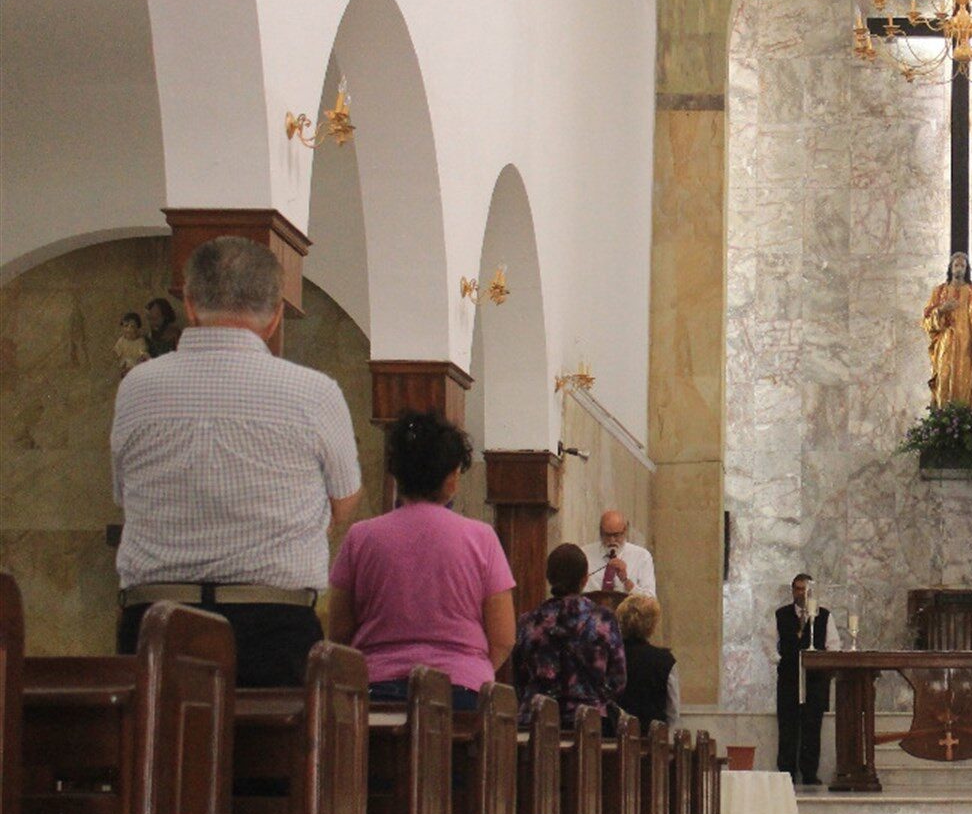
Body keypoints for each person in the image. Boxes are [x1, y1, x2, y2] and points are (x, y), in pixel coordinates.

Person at [113, 236, 362, 688]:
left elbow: (124, 495)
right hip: (274, 623)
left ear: (189, 304)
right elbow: (344, 501)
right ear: (275, 315)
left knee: (158, 756)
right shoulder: (315, 393)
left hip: (157, 622)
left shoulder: (138, 388)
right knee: (269, 758)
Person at [327, 411, 516, 711]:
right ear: (453, 477)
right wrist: (470, 669)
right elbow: (503, 636)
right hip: (460, 691)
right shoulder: (482, 538)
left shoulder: (360, 537)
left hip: (374, 690)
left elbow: (338, 630)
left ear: (397, 473)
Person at [514, 543, 627, 727]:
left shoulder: (529, 622)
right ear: (584, 579)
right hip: (589, 720)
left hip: (536, 718)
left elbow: (519, 677)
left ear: (549, 577)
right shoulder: (602, 620)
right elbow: (618, 680)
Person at [776, 573, 840, 785]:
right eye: (797, 588)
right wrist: (781, 661)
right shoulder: (781, 615)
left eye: (805, 589)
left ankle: (810, 773)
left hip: (815, 681)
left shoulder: (824, 616)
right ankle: (786, 772)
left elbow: (833, 646)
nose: (800, 593)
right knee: (788, 726)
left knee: (813, 727)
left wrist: (823, 666)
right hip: (789, 679)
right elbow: (770, 644)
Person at [922, 251, 972, 412]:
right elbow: (927, 322)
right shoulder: (939, 292)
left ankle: (964, 423)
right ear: (950, 268)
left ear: (967, 269)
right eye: (956, 265)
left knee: (964, 384)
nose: (959, 269)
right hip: (945, 347)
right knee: (944, 380)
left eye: (963, 265)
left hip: (966, 348)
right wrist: (941, 309)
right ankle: (943, 422)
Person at [614, 592, 680, 729]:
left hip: (613, 738)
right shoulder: (665, 661)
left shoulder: (608, 656)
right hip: (651, 739)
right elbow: (673, 712)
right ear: (651, 625)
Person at [585, 509, 656, 596]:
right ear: (600, 532)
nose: (612, 540)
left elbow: (650, 601)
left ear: (625, 531)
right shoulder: (585, 554)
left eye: (616, 535)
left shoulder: (642, 556)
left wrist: (626, 581)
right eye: (607, 535)